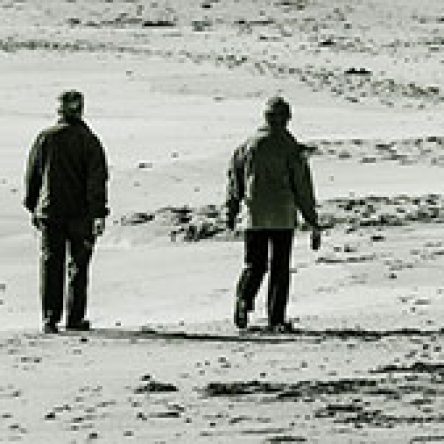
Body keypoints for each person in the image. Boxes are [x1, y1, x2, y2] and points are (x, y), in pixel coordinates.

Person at [226, 96, 321, 332]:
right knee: (280, 268)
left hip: (254, 215)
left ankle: (243, 299)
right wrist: (312, 220)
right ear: (287, 118)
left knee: (254, 264)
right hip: (282, 215)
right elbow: (302, 187)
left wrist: (232, 209)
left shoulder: (247, 146)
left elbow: (234, 181)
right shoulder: (291, 148)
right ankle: (276, 318)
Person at [24, 90, 109, 334]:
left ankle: (50, 318)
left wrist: (33, 206)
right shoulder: (89, 140)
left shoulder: (45, 138)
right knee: (78, 266)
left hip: (50, 212)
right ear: (80, 109)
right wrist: (98, 213)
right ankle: (74, 318)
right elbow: (97, 180)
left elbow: (33, 176)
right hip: (80, 214)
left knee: (51, 263)